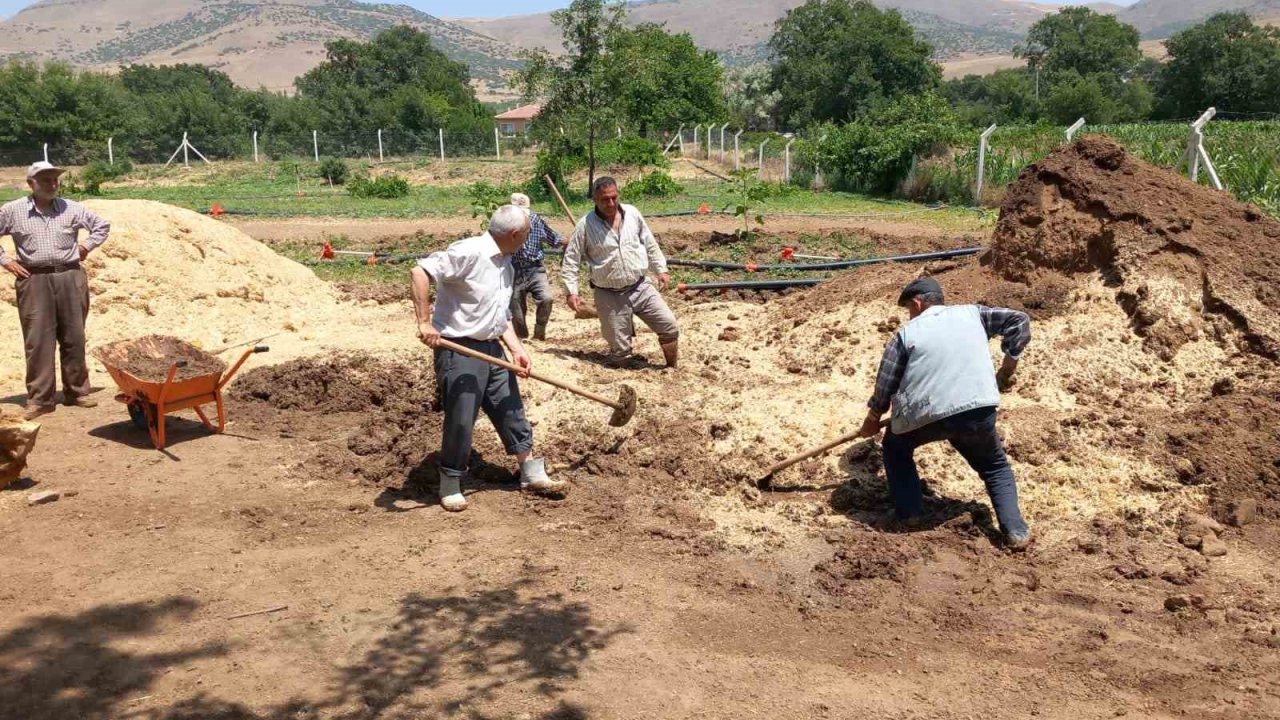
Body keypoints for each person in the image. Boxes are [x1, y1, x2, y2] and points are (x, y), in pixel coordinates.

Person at [856, 276, 1033, 550]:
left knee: (895, 449)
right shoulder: (975, 314)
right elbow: (1019, 320)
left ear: (917, 303)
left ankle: (910, 513)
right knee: (994, 466)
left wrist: (873, 418)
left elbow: (886, 381)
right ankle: (1015, 531)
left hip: (924, 414)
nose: (909, 315)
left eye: (908, 309)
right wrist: (1008, 367)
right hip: (977, 408)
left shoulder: (906, 334)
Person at [411, 204, 565, 512]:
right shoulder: (470, 252)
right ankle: (451, 481)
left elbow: (500, 314)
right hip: (459, 349)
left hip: (492, 347)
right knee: (461, 418)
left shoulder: (505, 263)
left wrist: (517, 349)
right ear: (514, 234)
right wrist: (424, 321)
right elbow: (420, 271)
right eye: (526, 234)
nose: (527, 239)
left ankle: (530, 472)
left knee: (511, 407)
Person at [0, 161, 111, 421]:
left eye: (55, 179)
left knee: (74, 335)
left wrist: (85, 248)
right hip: (33, 279)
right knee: (38, 340)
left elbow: (102, 226)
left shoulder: (72, 208)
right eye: (45, 180)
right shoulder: (13, 211)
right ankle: (40, 399)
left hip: (70, 276)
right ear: (31, 184)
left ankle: (77, 391)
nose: (52, 184)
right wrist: (7, 262)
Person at [561, 177, 679, 368]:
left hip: (640, 287)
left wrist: (661, 269)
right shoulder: (584, 225)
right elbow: (571, 258)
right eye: (604, 200)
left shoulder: (632, 214)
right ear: (594, 199)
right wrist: (571, 291)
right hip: (609, 294)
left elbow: (649, 242)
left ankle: (672, 369)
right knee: (620, 351)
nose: (610, 203)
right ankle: (626, 370)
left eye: (614, 198)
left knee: (669, 326)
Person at [507, 192, 562, 341]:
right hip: (514, 269)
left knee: (546, 298)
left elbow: (553, 238)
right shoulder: (505, 223)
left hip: (535, 268)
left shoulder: (535, 219)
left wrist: (570, 241)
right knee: (515, 303)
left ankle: (539, 332)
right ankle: (521, 336)